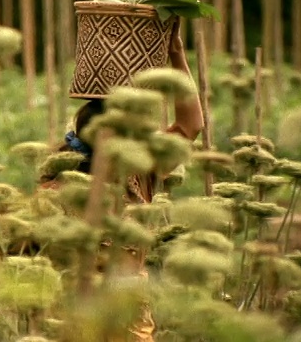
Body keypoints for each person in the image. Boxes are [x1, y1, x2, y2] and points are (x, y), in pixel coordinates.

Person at [41, 21, 204, 341]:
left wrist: (177, 54)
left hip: (130, 309)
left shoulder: (140, 170)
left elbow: (190, 125)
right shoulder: (58, 185)